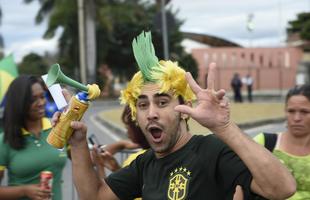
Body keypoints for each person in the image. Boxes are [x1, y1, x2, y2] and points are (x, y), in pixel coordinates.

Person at [63, 31, 296, 199]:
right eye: (142, 105)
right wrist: (78, 142)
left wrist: (224, 127)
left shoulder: (212, 150)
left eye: (162, 102)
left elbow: (282, 188)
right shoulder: (145, 165)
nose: (151, 113)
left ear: (185, 109)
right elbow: (93, 196)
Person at [0, 75, 68, 200]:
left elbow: (81, 157)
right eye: (33, 100)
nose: (41, 103)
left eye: (42, 96)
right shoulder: (5, 140)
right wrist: (24, 191)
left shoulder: (57, 127)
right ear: (19, 102)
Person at [254, 84, 310, 199]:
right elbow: (239, 181)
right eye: (291, 111)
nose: (297, 118)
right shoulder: (264, 143)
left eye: (304, 112)